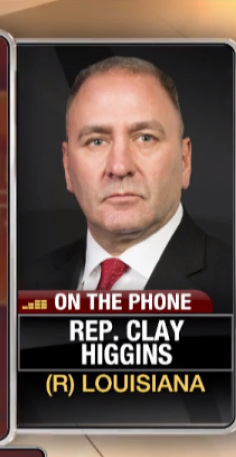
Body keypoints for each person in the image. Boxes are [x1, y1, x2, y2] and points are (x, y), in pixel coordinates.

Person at [21, 56, 233, 313]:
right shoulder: (26, 288)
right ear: (67, 167)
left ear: (184, 161)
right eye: (96, 141)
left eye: (145, 138)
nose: (120, 167)